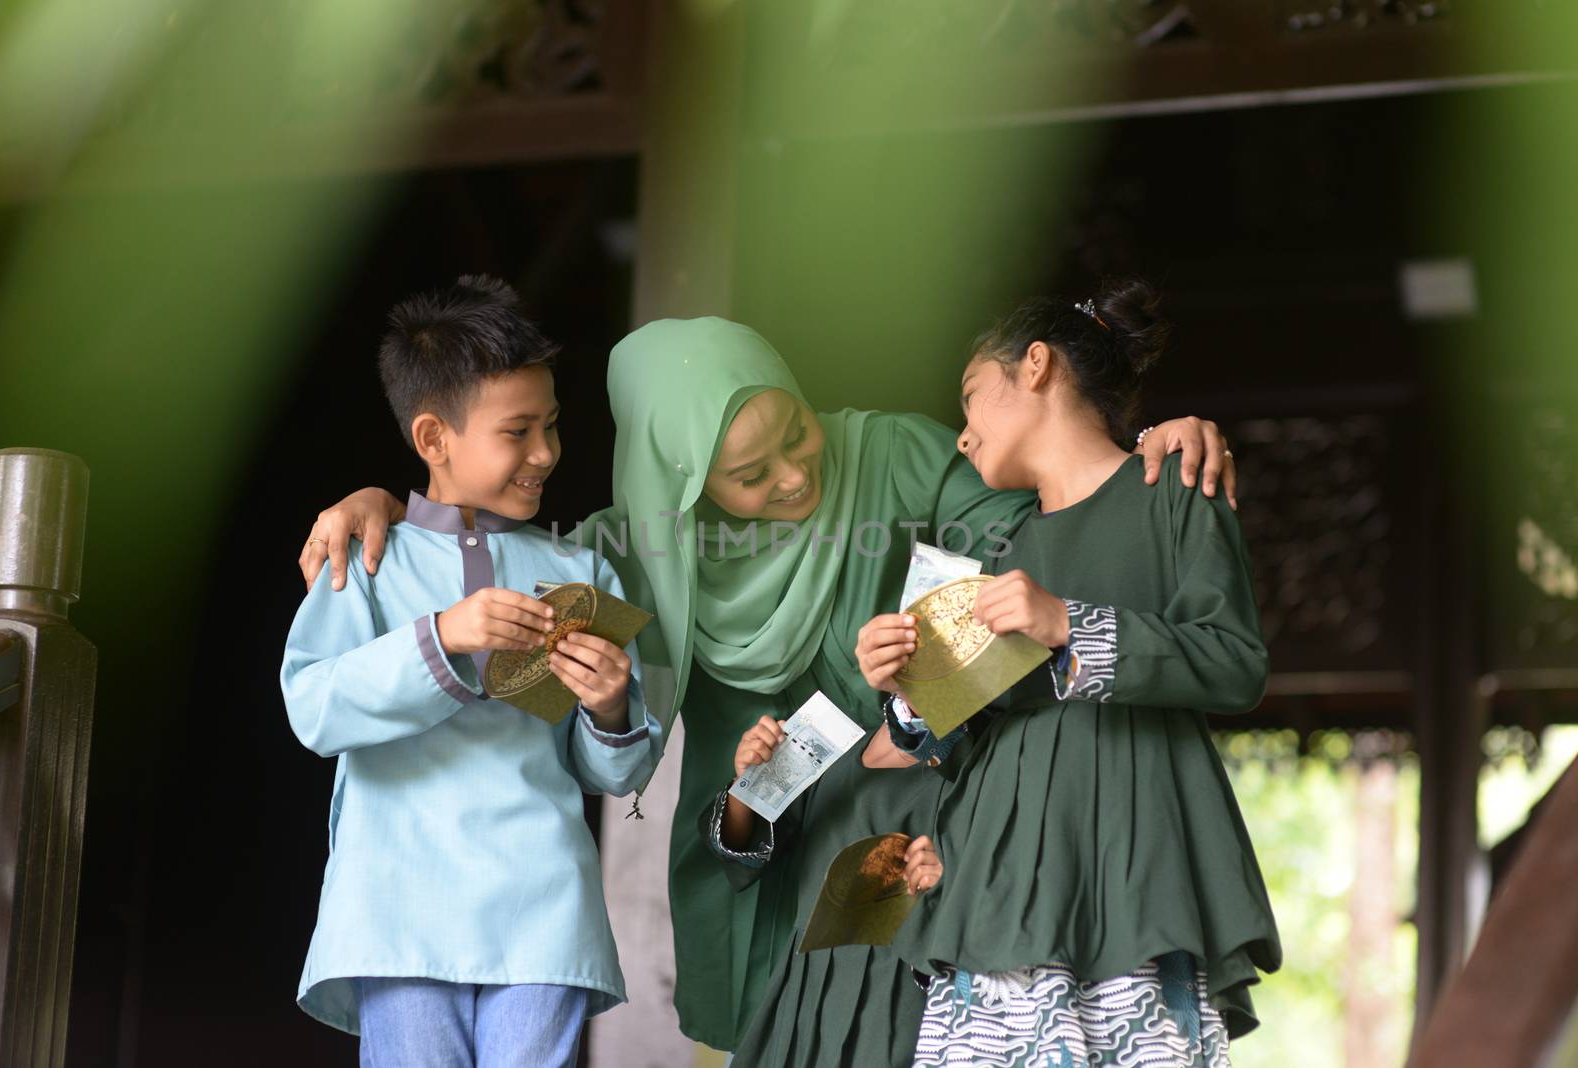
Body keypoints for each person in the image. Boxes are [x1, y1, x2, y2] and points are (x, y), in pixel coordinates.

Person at [296, 315, 1239, 1056]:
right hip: (775, 863)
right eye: (748, 475)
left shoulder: (894, 457)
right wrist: (379, 503)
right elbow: (485, 555)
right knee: (804, 1035)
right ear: (681, 480)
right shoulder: (624, 554)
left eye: (796, 431)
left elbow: (1043, 535)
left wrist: (1147, 446)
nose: (795, 476)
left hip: (935, 836)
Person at [855, 280, 1280, 1067]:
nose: (962, 434)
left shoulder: (1173, 492)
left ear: (1038, 366)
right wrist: (905, 692)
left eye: (972, 397)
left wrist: (1069, 625)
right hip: (995, 886)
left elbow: (1235, 664)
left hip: (1130, 869)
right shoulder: (999, 555)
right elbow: (959, 730)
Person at [281, 275, 661, 1068]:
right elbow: (312, 708)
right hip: (395, 907)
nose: (546, 453)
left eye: (552, 426)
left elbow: (615, 775)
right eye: (518, 431)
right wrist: (441, 637)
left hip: (544, 905)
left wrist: (612, 707)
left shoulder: (581, 571)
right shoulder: (368, 560)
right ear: (433, 438)